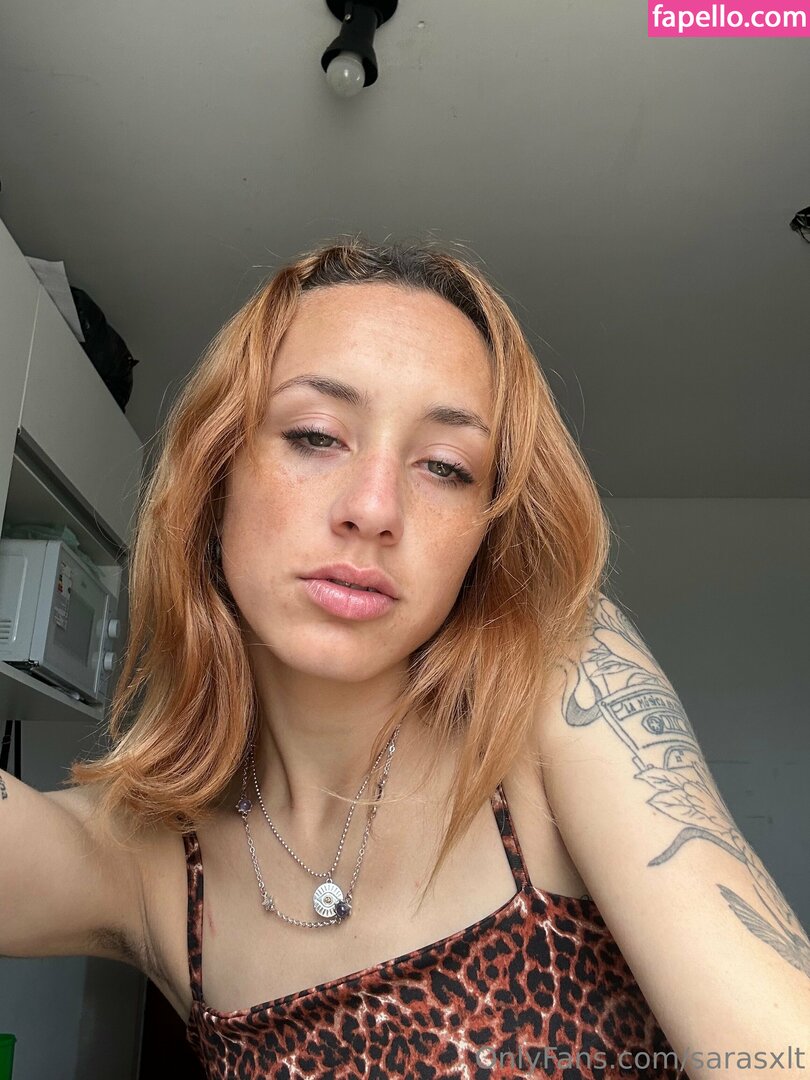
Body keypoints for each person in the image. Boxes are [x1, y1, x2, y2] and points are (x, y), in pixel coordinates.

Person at [2, 237, 808, 1080]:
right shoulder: (145, 861)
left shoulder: (556, 690)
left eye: (446, 467)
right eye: (316, 435)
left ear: (484, 534)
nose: (374, 508)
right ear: (217, 474)